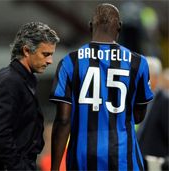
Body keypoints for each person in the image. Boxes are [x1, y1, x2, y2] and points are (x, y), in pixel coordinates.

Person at [49, 3, 153, 171]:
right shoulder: (138, 63)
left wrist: (54, 168)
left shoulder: (70, 62)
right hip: (124, 158)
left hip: (82, 158)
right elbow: (139, 115)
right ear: (119, 27)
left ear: (90, 25)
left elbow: (63, 120)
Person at [0, 22, 60, 170]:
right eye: (45, 54)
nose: (50, 61)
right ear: (26, 50)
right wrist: (21, 168)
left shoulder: (15, 78)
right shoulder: (11, 81)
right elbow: (0, 135)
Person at [137, 57, 169, 167]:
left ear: (154, 77)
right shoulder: (141, 98)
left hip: (156, 162)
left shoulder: (165, 100)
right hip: (140, 160)